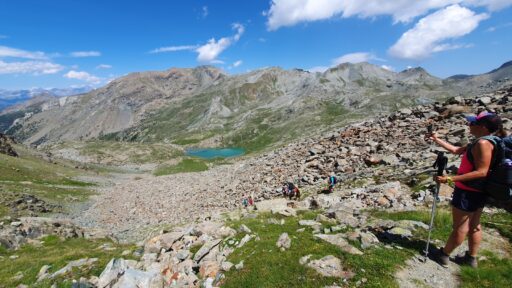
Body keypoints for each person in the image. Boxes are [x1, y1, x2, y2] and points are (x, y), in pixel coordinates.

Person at [427, 111, 507, 268]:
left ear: (483, 127)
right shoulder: (486, 140)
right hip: (479, 190)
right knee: (474, 225)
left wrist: (449, 179)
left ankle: (444, 255)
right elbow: (456, 151)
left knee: (461, 226)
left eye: (473, 123)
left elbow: (481, 171)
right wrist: (436, 139)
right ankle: (471, 258)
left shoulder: (482, 144)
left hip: (468, 191)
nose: (469, 125)